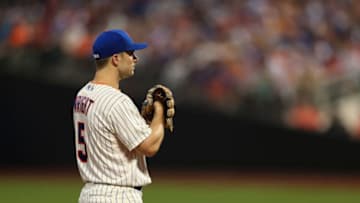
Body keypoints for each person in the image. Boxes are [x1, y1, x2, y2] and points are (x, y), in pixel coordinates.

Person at [73, 29, 166, 203]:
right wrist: (159, 112)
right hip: (117, 195)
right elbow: (149, 146)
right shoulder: (117, 101)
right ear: (116, 58)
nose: (135, 59)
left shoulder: (83, 94)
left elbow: (110, 131)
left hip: (89, 194)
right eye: (130, 53)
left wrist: (139, 122)